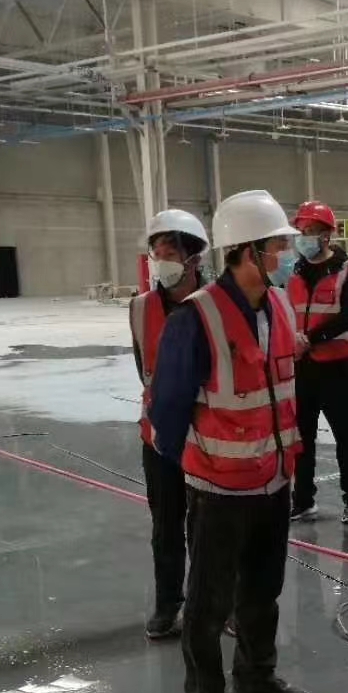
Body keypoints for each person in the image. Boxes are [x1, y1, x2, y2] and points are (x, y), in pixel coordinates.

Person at [150, 190, 312, 693]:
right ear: (246, 251)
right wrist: (198, 468)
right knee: (209, 601)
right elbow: (167, 412)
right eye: (279, 245)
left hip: (274, 478)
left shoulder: (280, 306)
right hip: (218, 487)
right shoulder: (196, 317)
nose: (288, 254)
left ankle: (256, 678)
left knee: (263, 590)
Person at [130, 209, 210, 640]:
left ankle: (211, 604)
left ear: (193, 257)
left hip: (207, 438)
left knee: (208, 528)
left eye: (169, 252)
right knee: (166, 526)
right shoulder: (141, 307)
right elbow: (144, 370)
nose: (160, 261)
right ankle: (167, 604)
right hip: (159, 438)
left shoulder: (215, 304)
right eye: (156, 253)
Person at [287, 200, 348, 526]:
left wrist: (310, 338)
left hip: (336, 368)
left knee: (346, 436)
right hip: (302, 368)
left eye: (310, 231)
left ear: (326, 235)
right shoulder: (295, 272)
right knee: (301, 438)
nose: (304, 237)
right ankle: (303, 500)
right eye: (301, 231)